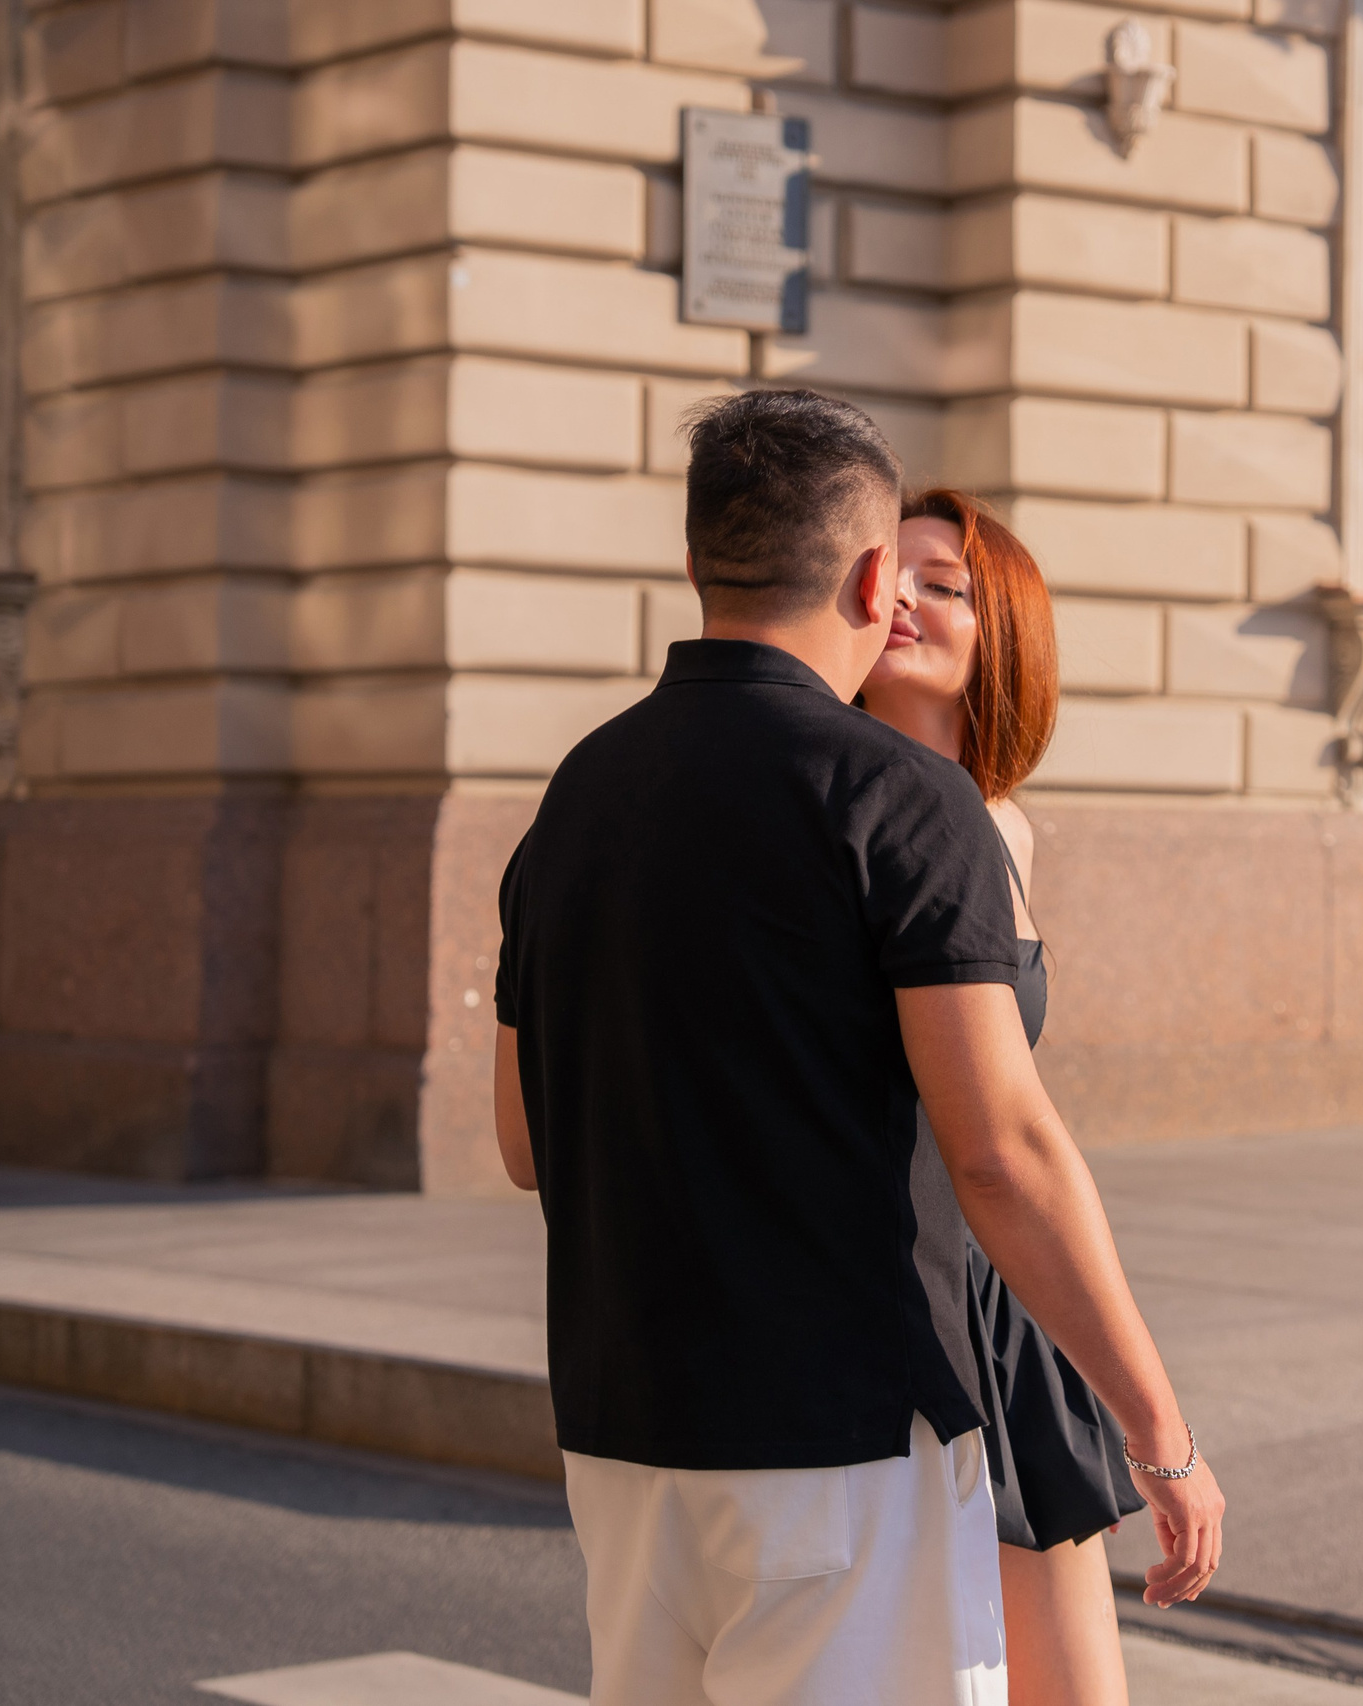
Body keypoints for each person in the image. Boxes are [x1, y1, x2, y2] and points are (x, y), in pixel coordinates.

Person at [490, 389, 1222, 1706]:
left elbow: (524, 1139)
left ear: (701, 556)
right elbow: (1001, 1146)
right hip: (841, 1432)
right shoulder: (898, 798)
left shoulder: (577, 791)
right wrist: (1161, 1430)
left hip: (623, 1427)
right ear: (876, 578)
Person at [859, 489, 1137, 1706]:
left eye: (945, 584)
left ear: (1002, 634)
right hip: (889, 1311)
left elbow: (1018, 1117)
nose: (904, 599)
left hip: (1004, 1307)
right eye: (891, 573)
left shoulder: (1004, 827)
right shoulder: (836, 803)